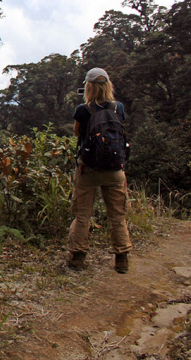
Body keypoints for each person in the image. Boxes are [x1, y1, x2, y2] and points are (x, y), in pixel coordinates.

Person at [67, 67, 132, 274]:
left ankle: (77, 258)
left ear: (88, 87)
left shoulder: (83, 110)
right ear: (108, 86)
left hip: (88, 169)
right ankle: (122, 259)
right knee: (117, 215)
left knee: (82, 214)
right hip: (115, 169)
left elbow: (77, 133)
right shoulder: (118, 107)